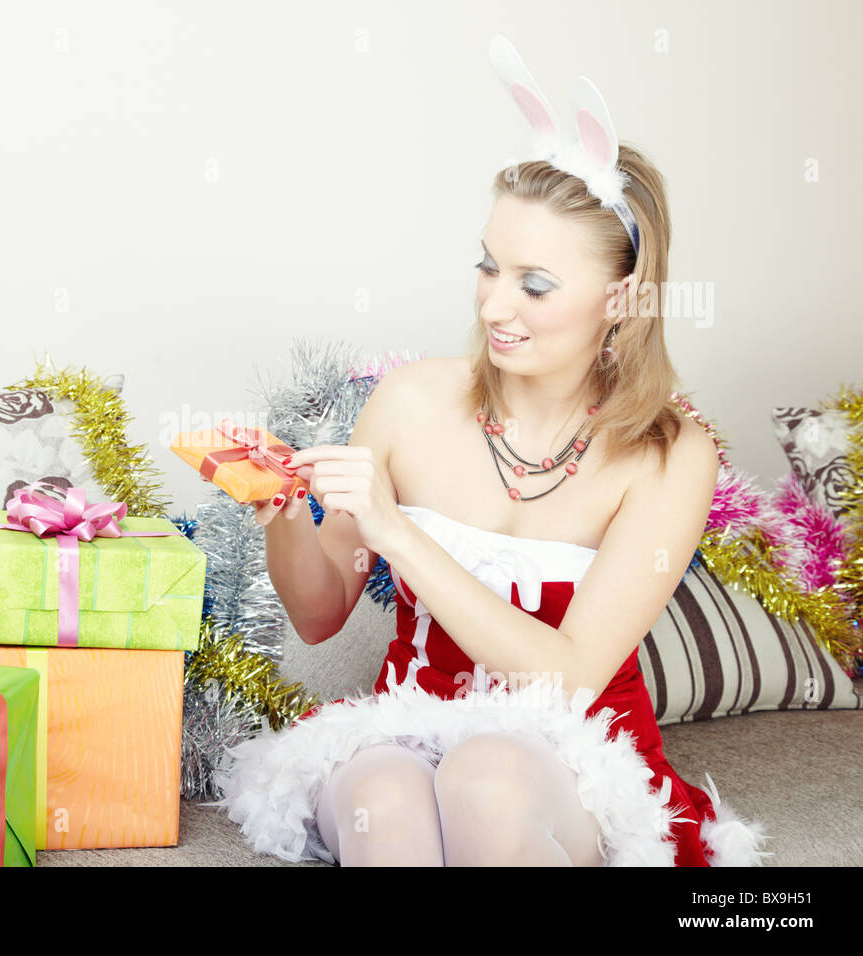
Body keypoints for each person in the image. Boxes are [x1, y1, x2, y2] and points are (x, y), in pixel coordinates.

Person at [205, 132, 772, 867]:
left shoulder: (670, 452)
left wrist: (401, 535)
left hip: (571, 758)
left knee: (485, 779)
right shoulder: (410, 401)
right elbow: (318, 617)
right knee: (383, 796)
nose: (496, 305)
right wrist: (282, 514)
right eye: (488, 266)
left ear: (624, 297)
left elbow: (568, 678)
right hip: (408, 723)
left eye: (535, 285)